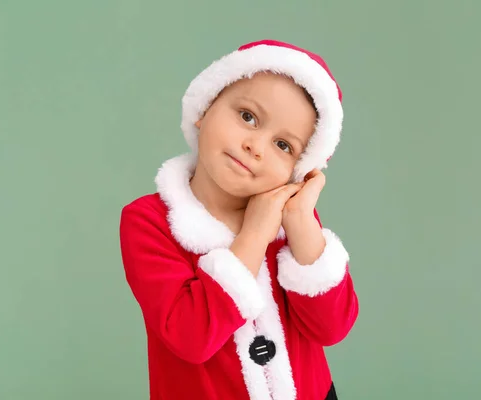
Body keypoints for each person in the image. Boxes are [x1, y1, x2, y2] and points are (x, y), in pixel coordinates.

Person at [119, 39, 359, 400]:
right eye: (247, 117)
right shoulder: (149, 221)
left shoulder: (292, 220)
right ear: (205, 108)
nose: (256, 146)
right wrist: (256, 232)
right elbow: (191, 336)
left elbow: (332, 328)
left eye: (283, 146)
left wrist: (301, 220)